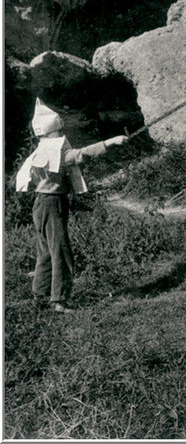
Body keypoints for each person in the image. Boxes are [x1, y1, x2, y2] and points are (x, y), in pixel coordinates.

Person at [16, 98, 128, 313]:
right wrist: (111, 142)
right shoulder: (53, 152)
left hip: (41, 204)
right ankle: (58, 300)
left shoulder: (39, 152)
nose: (61, 137)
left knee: (46, 252)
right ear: (51, 135)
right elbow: (81, 154)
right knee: (61, 252)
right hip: (52, 203)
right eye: (58, 133)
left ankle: (39, 295)